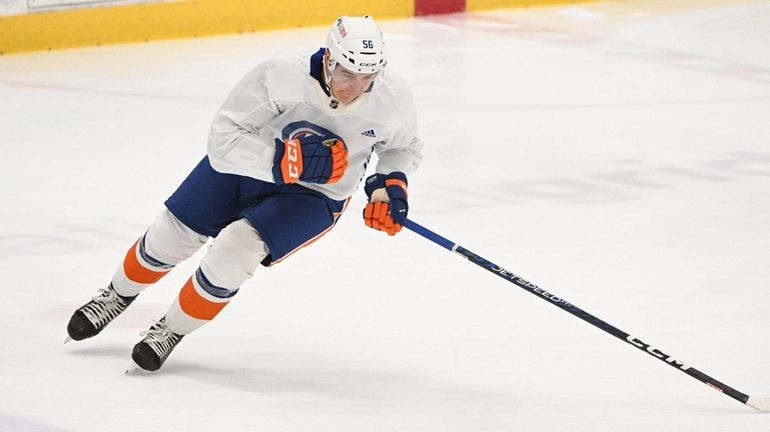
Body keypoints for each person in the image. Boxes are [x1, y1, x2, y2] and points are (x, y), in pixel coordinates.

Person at [65, 15, 423, 372]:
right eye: (347, 73)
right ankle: (116, 295)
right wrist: (286, 160)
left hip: (315, 196)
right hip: (247, 167)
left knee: (236, 251)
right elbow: (224, 136)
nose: (355, 86)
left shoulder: (394, 98)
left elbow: (403, 148)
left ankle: (171, 330)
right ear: (329, 57)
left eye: (367, 77)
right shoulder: (282, 73)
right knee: (171, 237)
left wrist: (388, 186)